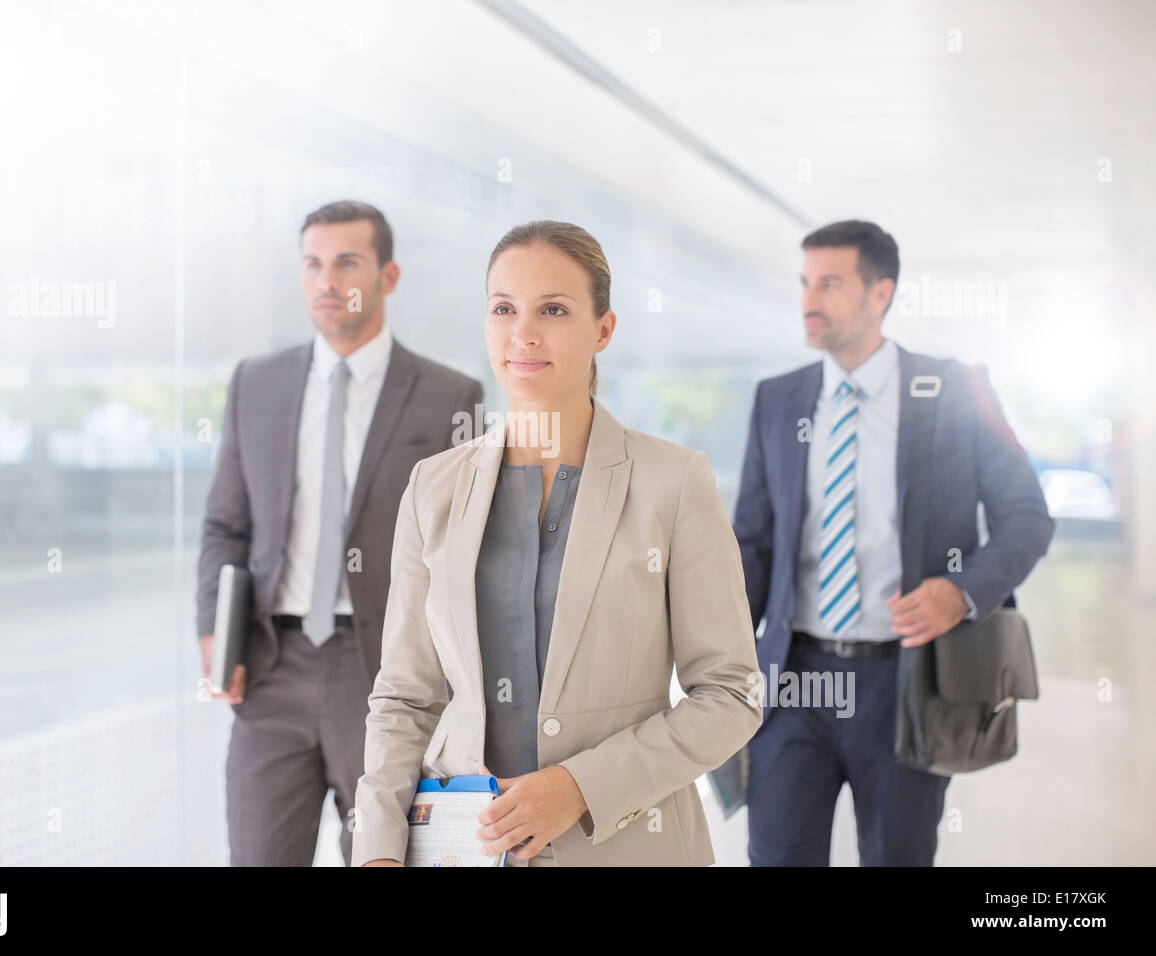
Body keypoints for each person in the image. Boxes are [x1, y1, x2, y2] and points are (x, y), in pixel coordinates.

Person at [352, 220, 760, 867]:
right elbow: (405, 696)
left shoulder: (674, 482)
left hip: (628, 845)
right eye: (504, 308)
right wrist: (376, 850)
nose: (524, 333)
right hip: (463, 845)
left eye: (554, 309)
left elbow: (731, 694)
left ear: (604, 329)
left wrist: (580, 788)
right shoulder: (433, 487)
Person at [733, 219, 1054, 865]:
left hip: (906, 681)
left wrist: (962, 591)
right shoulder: (779, 399)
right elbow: (752, 544)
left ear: (881, 293)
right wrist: (715, 661)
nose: (808, 300)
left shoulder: (956, 391)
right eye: (804, 282)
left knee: (897, 857)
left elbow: (1027, 517)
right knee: (774, 856)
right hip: (794, 682)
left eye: (829, 283)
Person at [195, 200, 484, 866]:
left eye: (347, 262)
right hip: (270, 669)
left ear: (388, 276)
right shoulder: (256, 384)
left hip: (387, 673)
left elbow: (465, 553)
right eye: (313, 264)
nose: (328, 280)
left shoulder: (450, 397)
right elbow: (224, 525)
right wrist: (215, 629)